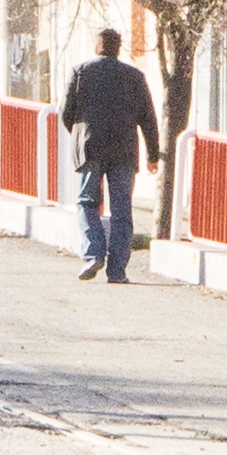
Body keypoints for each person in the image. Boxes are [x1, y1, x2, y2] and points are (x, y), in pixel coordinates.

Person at [59, 25, 161, 284]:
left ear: (97, 46)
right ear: (118, 48)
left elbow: (65, 112)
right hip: (124, 150)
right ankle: (117, 270)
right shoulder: (135, 77)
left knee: (86, 202)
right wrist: (152, 154)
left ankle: (93, 253)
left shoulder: (81, 72)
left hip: (90, 147)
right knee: (122, 210)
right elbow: (148, 118)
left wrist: (79, 133)